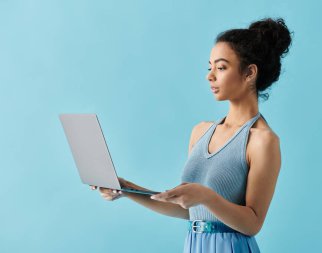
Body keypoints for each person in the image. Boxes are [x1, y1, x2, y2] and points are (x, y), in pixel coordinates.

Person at [91, 17, 293, 253]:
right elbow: (188, 209)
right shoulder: (201, 132)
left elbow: (253, 223)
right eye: (210, 67)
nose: (210, 76)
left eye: (221, 67)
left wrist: (206, 196)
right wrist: (127, 189)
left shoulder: (262, 140)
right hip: (195, 245)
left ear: (249, 73)